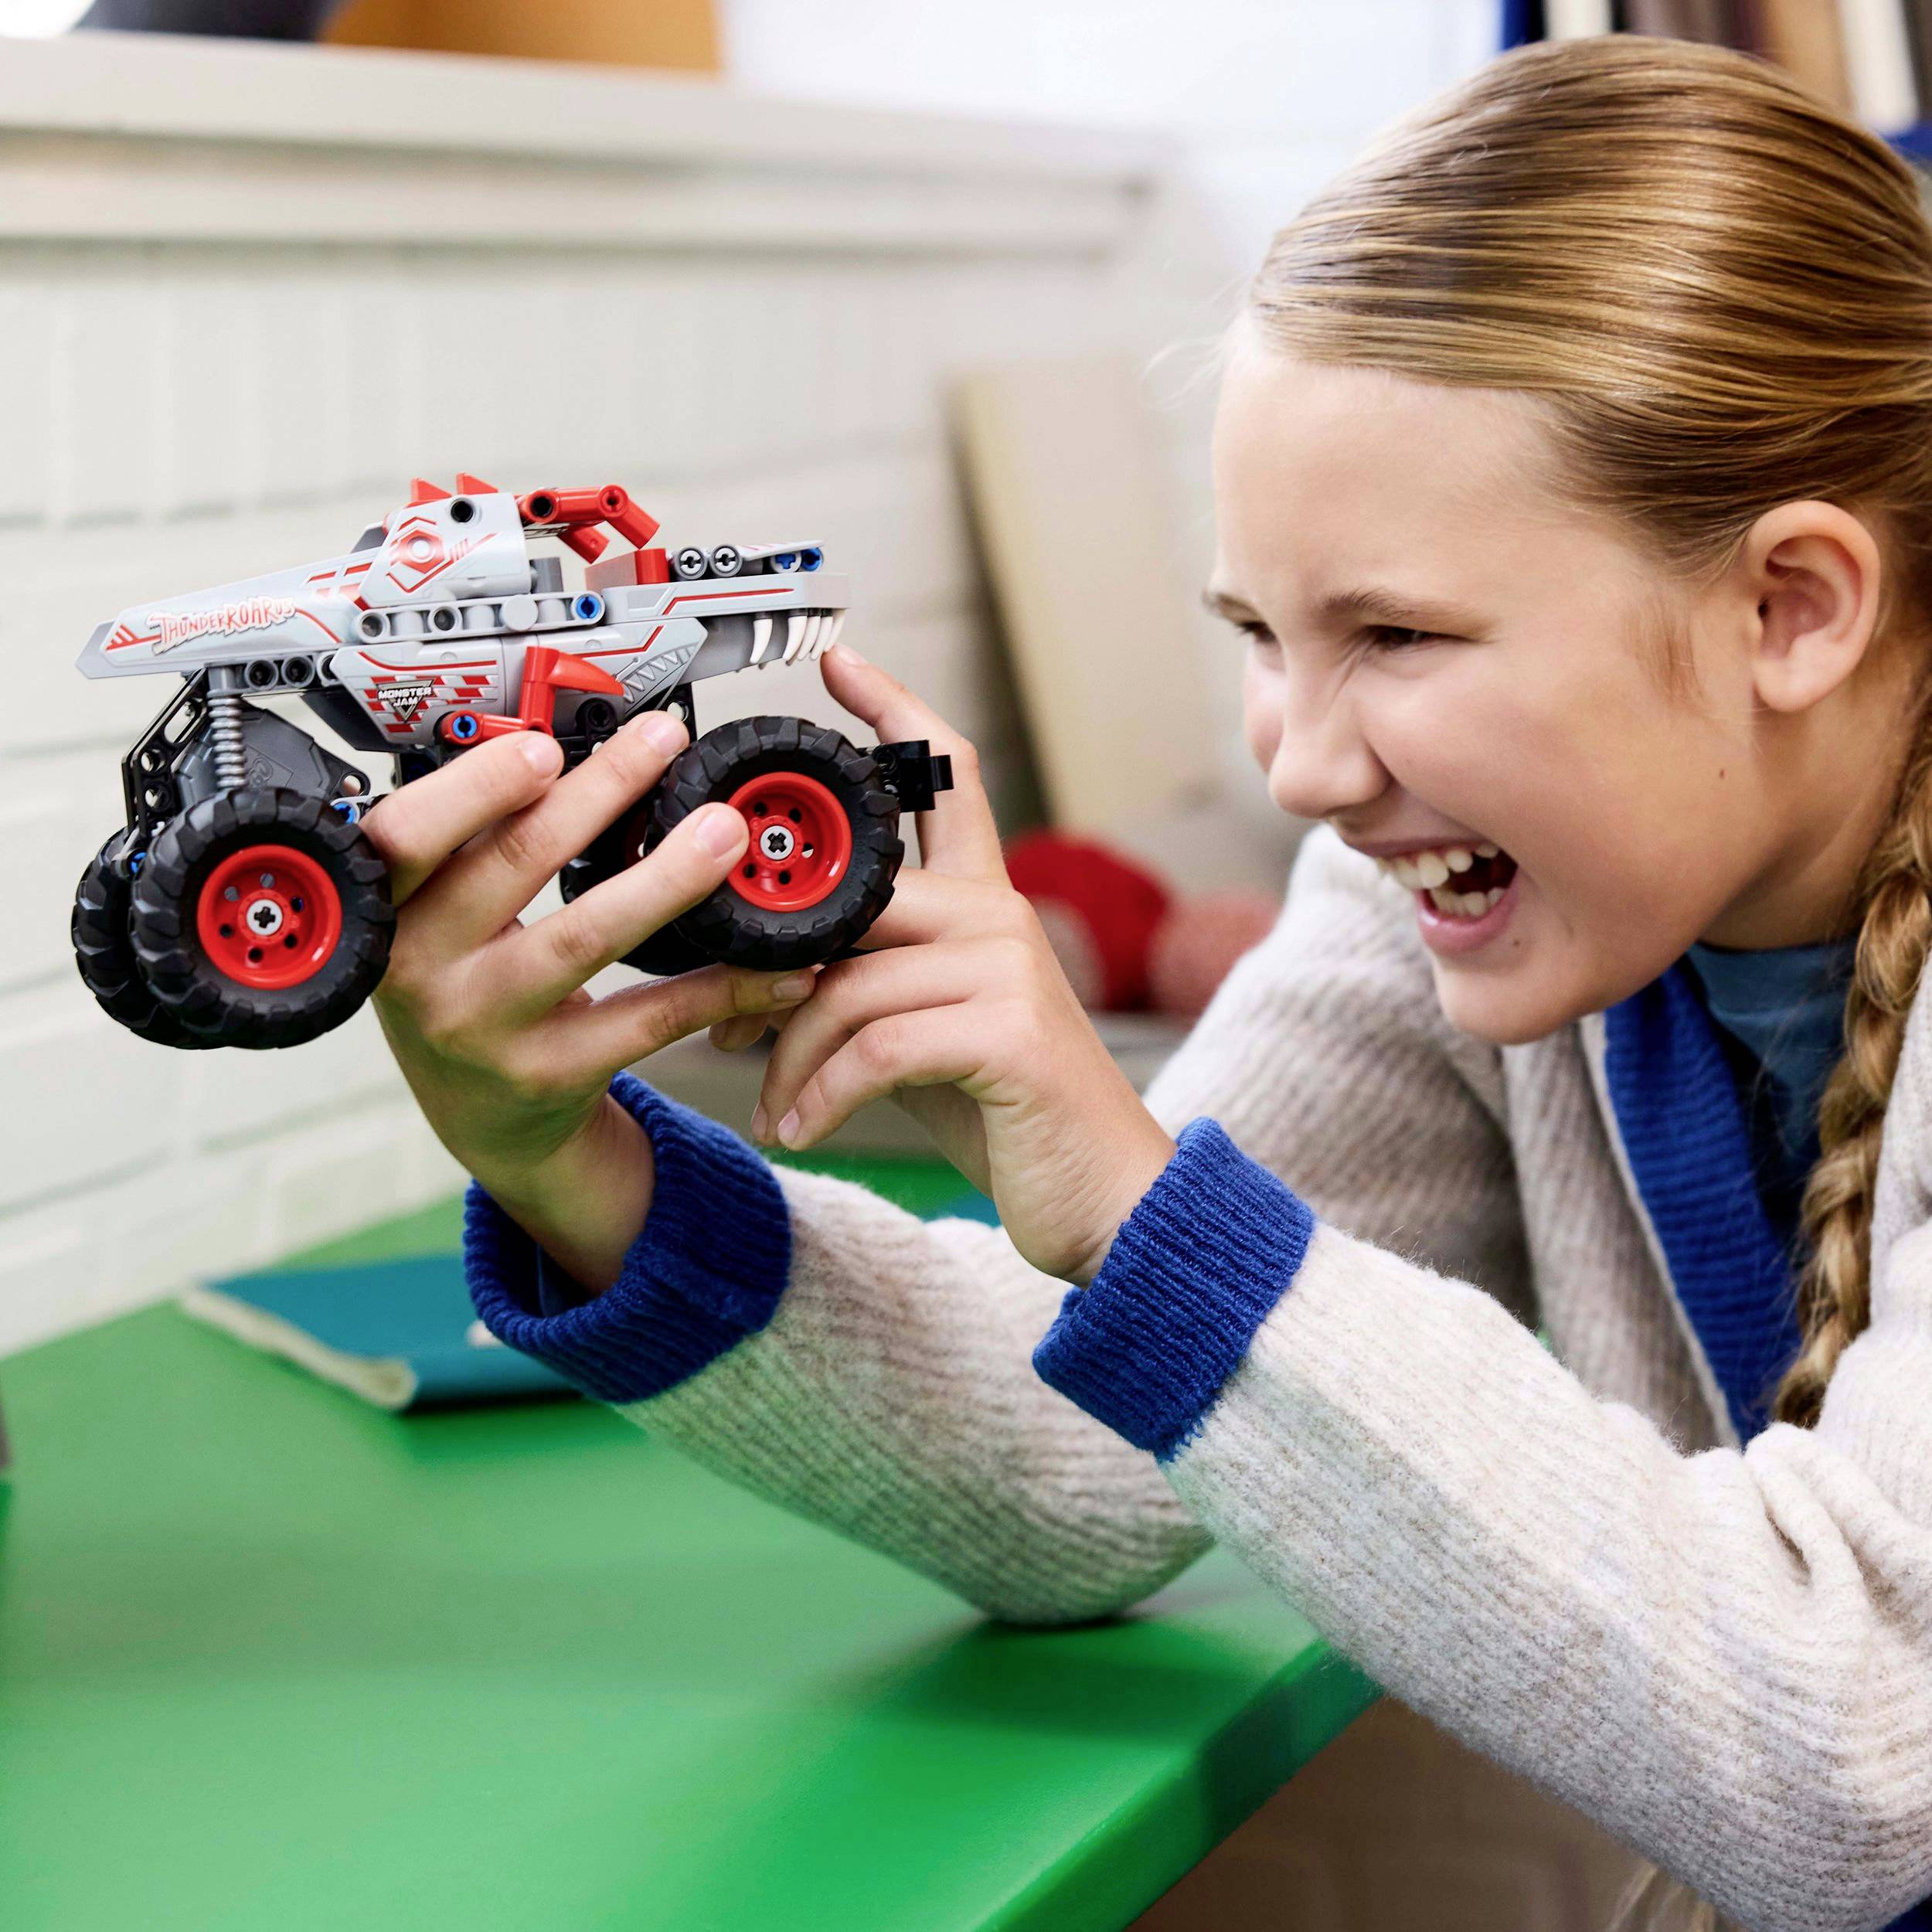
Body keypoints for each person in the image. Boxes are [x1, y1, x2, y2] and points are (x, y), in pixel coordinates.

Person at [360, 36, 1932, 1932]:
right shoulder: (1481, 892)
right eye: (1260, 633)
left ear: (1789, 606)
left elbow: (1857, 1749)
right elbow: (1079, 1467)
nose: (1298, 763)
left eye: (1395, 633)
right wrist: (574, 1163)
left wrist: (1139, 1203)